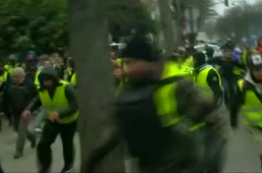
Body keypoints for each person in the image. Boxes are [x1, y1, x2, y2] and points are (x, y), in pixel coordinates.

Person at [83, 35, 219, 173]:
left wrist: (209, 161)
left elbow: (211, 118)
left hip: (182, 164)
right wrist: (94, 160)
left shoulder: (178, 84)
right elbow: (119, 128)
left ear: (149, 62)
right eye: (124, 63)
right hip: (149, 164)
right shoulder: (130, 88)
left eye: (131, 63)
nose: (127, 69)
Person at [24, 67, 78, 173]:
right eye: (44, 80)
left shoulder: (66, 87)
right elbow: (37, 100)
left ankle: (68, 166)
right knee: (43, 144)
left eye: (49, 80)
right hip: (52, 121)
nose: (46, 83)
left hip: (69, 122)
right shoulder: (42, 90)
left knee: (67, 145)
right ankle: (45, 166)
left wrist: (60, 113)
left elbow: (74, 105)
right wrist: (29, 109)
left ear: (54, 79)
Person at [5, 67, 37, 158]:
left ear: (21, 76)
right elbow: (6, 98)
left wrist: (30, 109)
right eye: (12, 77)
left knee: (21, 132)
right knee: (16, 128)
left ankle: (18, 151)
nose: (13, 79)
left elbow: (35, 97)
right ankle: (32, 137)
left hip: (25, 111)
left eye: (15, 77)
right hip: (15, 111)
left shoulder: (29, 84)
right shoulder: (10, 85)